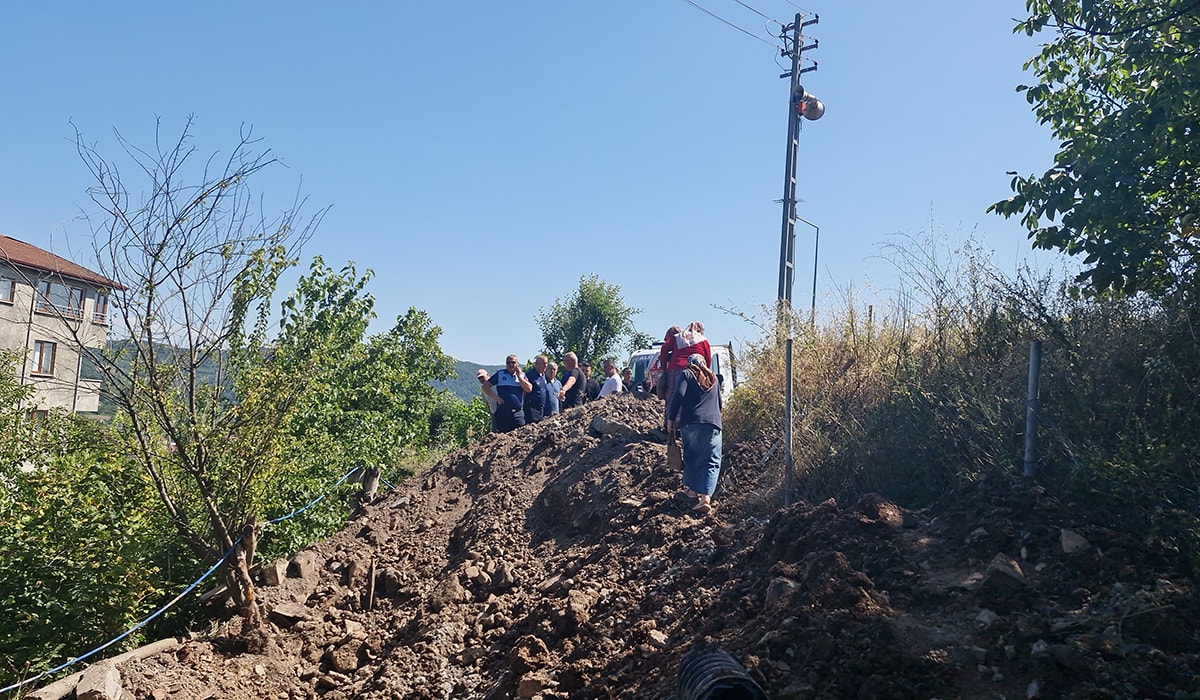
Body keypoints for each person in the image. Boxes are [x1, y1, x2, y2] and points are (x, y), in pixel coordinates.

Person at [667, 353, 723, 515]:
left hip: (691, 422)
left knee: (692, 456)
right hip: (713, 423)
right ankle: (705, 497)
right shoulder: (714, 379)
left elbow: (678, 395)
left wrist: (671, 418)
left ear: (689, 364)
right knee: (711, 459)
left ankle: (691, 491)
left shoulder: (686, 374)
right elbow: (720, 403)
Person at [660, 321, 711, 430]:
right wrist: (706, 373)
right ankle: (688, 423)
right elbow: (708, 359)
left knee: (673, 396)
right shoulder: (703, 340)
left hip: (675, 369)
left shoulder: (678, 337)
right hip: (696, 371)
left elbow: (664, 348)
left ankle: (670, 424)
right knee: (693, 397)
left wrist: (664, 367)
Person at [481, 354, 533, 433]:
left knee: (521, 436)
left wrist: (519, 377)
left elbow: (529, 389)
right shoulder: (500, 374)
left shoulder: (522, 375)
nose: (511, 365)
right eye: (508, 362)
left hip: (517, 413)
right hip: (503, 413)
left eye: (513, 362)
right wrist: (496, 398)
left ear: (517, 364)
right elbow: (485, 386)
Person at [524, 355, 549, 424]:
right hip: (531, 408)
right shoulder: (529, 375)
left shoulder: (544, 375)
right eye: (544, 363)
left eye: (546, 363)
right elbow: (524, 391)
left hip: (542, 408)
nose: (546, 365)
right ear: (537, 364)